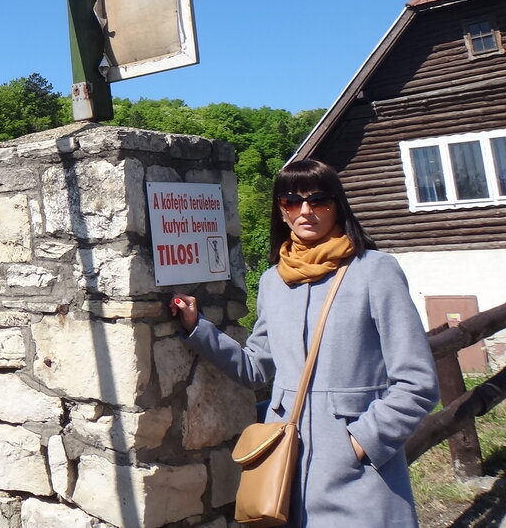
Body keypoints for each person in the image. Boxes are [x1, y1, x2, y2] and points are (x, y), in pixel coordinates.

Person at [169, 159, 439, 527]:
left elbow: (418, 382)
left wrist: (361, 442)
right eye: (292, 201)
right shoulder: (273, 281)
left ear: (337, 205)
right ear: (281, 211)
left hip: (359, 475)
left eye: (319, 200)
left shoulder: (374, 270)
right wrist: (198, 328)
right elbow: (256, 367)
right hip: (288, 471)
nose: (306, 211)